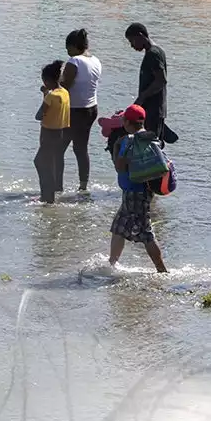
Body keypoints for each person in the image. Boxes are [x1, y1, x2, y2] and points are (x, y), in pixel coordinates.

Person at [108, 104, 168, 273]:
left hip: (134, 192)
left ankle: (162, 270)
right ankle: (112, 264)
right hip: (144, 190)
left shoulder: (128, 141)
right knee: (118, 226)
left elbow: (120, 167)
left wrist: (115, 148)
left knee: (146, 233)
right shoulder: (150, 138)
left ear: (127, 122)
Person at [60, 28, 102, 191]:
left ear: (74, 46)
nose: (67, 52)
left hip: (74, 111)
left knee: (58, 149)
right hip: (91, 108)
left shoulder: (74, 62)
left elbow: (64, 87)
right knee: (81, 148)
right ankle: (83, 186)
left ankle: (57, 187)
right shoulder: (96, 61)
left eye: (68, 48)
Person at [124, 23, 169, 146]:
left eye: (132, 41)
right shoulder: (156, 51)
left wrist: (142, 97)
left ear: (140, 36)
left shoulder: (153, 54)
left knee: (151, 147)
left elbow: (161, 81)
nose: (132, 46)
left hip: (153, 110)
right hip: (153, 109)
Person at [34, 60, 71, 204]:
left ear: (46, 80)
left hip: (48, 133)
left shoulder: (51, 96)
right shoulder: (65, 93)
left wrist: (45, 95)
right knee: (50, 162)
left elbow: (39, 115)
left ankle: (47, 197)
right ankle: (50, 194)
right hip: (60, 133)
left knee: (41, 162)